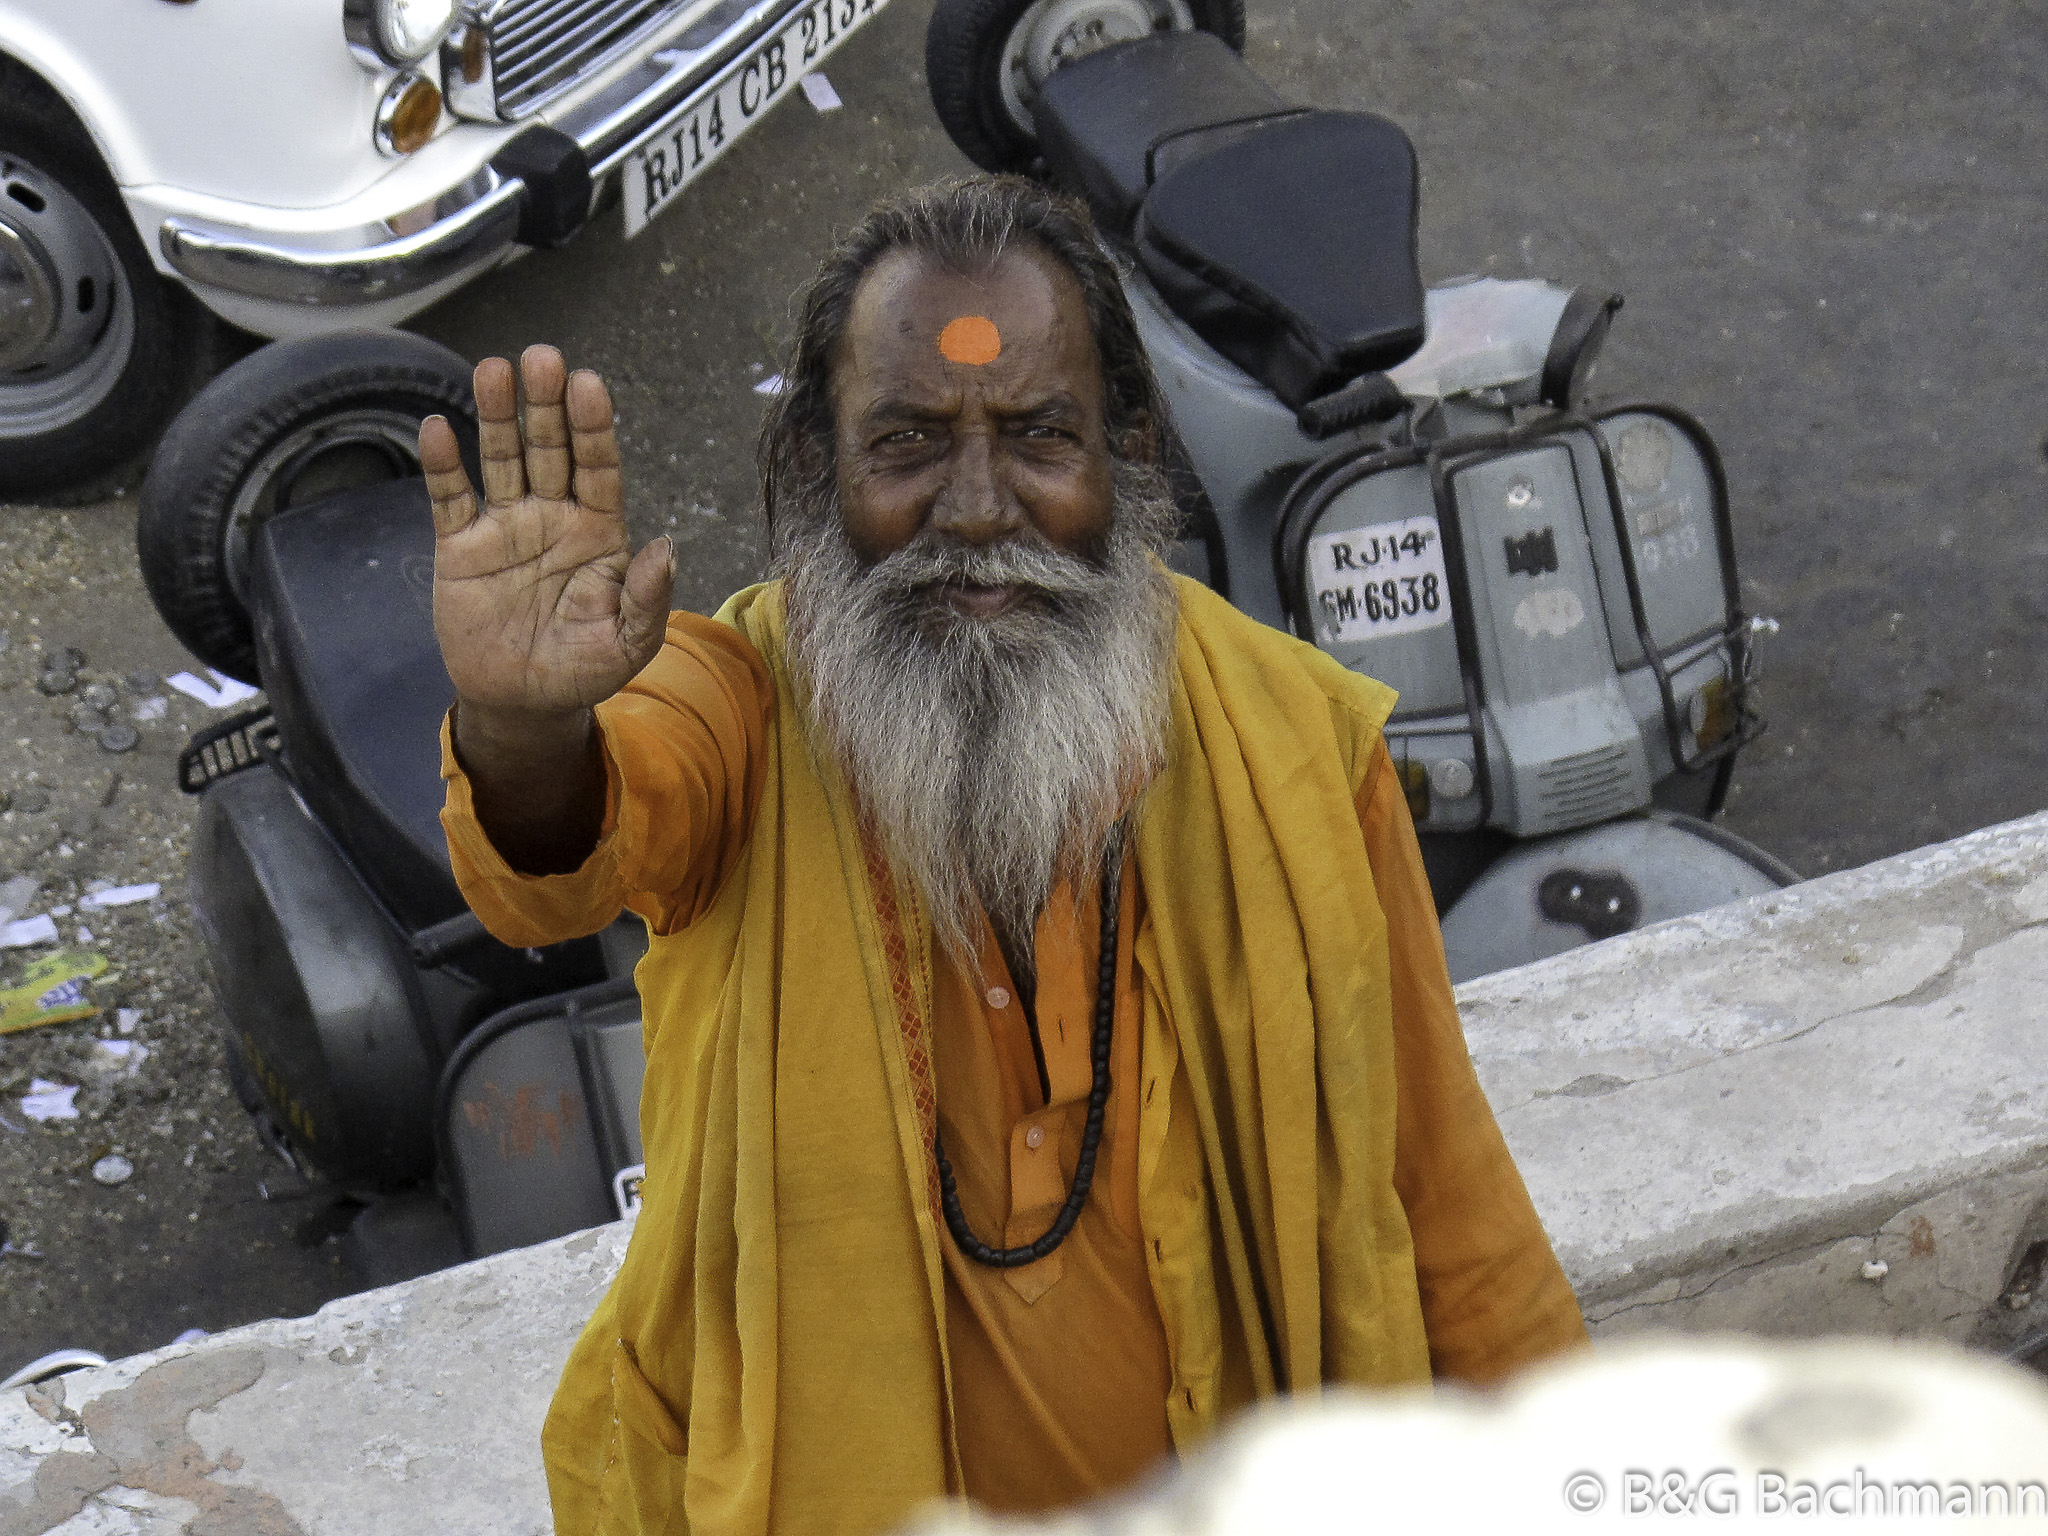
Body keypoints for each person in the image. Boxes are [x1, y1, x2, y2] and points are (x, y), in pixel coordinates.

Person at [421, 177, 1586, 1536]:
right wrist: (520, 720)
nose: (977, 510)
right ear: (816, 464)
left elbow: (1450, 1209)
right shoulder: (740, 708)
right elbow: (555, 856)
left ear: (1127, 451)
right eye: (907, 443)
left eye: (1040, 437)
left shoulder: (1294, 744)